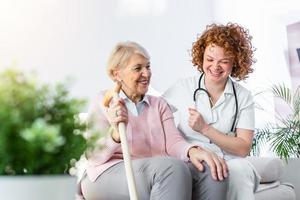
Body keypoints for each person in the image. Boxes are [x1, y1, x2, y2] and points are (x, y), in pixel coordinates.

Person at [80, 41, 228, 200]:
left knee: (213, 170)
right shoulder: (104, 101)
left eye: (148, 67)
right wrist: (115, 133)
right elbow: (94, 156)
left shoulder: (159, 104)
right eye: (138, 68)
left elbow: (173, 143)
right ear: (117, 74)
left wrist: (193, 151)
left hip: (156, 169)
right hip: (107, 174)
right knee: (172, 169)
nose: (146, 73)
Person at [163, 23, 260, 200]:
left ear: (235, 62)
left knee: (239, 171)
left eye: (224, 61)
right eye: (210, 59)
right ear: (201, 57)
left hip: (231, 161)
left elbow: (243, 148)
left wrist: (205, 129)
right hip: (194, 160)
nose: (215, 67)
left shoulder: (243, 97)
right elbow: (156, 114)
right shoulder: (182, 88)